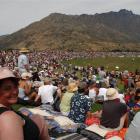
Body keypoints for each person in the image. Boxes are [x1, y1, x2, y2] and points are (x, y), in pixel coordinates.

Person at [0, 67, 50, 140]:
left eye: (15, 87)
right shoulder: (8, 118)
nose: (15, 92)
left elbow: (23, 102)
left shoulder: (8, 110)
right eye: (7, 88)